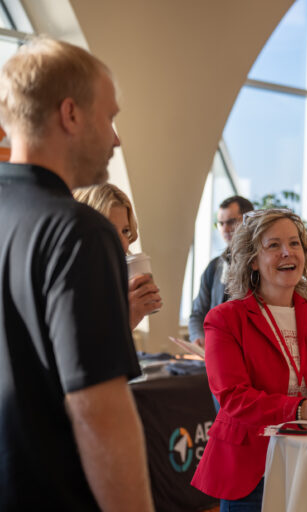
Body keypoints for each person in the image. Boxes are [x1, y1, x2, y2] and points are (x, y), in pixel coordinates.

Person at [0, 38, 152, 510]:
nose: (116, 138)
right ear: (70, 114)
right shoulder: (78, 232)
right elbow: (98, 414)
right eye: (110, 117)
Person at [191, 208, 307, 511]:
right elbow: (233, 397)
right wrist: (302, 407)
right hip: (252, 470)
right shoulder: (225, 319)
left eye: (295, 243)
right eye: (274, 245)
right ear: (253, 259)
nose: (288, 252)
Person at [74, 183, 163, 329]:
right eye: (110, 231)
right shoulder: (71, 283)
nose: (123, 244)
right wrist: (127, 319)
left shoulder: (108, 283)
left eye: (125, 231)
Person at [189, 195, 254, 347]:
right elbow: (198, 313)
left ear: (249, 222)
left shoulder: (262, 265)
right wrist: (199, 337)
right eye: (221, 223)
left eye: (231, 222)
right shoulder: (213, 267)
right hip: (216, 351)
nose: (225, 229)